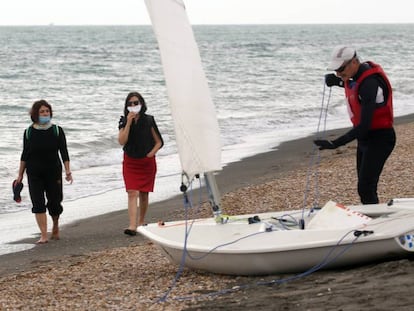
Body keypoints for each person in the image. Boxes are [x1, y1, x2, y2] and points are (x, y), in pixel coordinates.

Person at [314, 46, 396, 204]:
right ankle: (373, 217)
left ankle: (374, 223)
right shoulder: (357, 76)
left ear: (354, 62)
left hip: (381, 139)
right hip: (366, 139)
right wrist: (338, 81)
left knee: (365, 187)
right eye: (336, 70)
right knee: (365, 186)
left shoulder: (370, 83)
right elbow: (353, 84)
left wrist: (335, 143)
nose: (338, 73)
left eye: (341, 69)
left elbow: (364, 125)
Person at [16, 100, 73, 244]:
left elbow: (64, 152)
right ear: (35, 114)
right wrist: (20, 175)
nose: (45, 114)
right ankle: (43, 234)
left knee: (54, 202)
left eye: (47, 111)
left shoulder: (57, 130)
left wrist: (68, 171)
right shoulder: (28, 132)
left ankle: (55, 225)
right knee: (38, 202)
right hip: (34, 172)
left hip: (53, 171)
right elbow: (25, 154)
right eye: (42, 112)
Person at [118, 91, 163, 236]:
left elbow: (159, 142)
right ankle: (132, 225)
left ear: (141, 104)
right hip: (130, 161)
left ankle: (141, 222)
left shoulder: (149, 120)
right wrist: (129, 122)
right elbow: (121, 141)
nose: (133, 106)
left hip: (146, 162)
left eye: (135, 103)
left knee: (143, 193)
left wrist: (151, 154)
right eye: (130, 104)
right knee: (132, 192)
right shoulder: (123, 121)